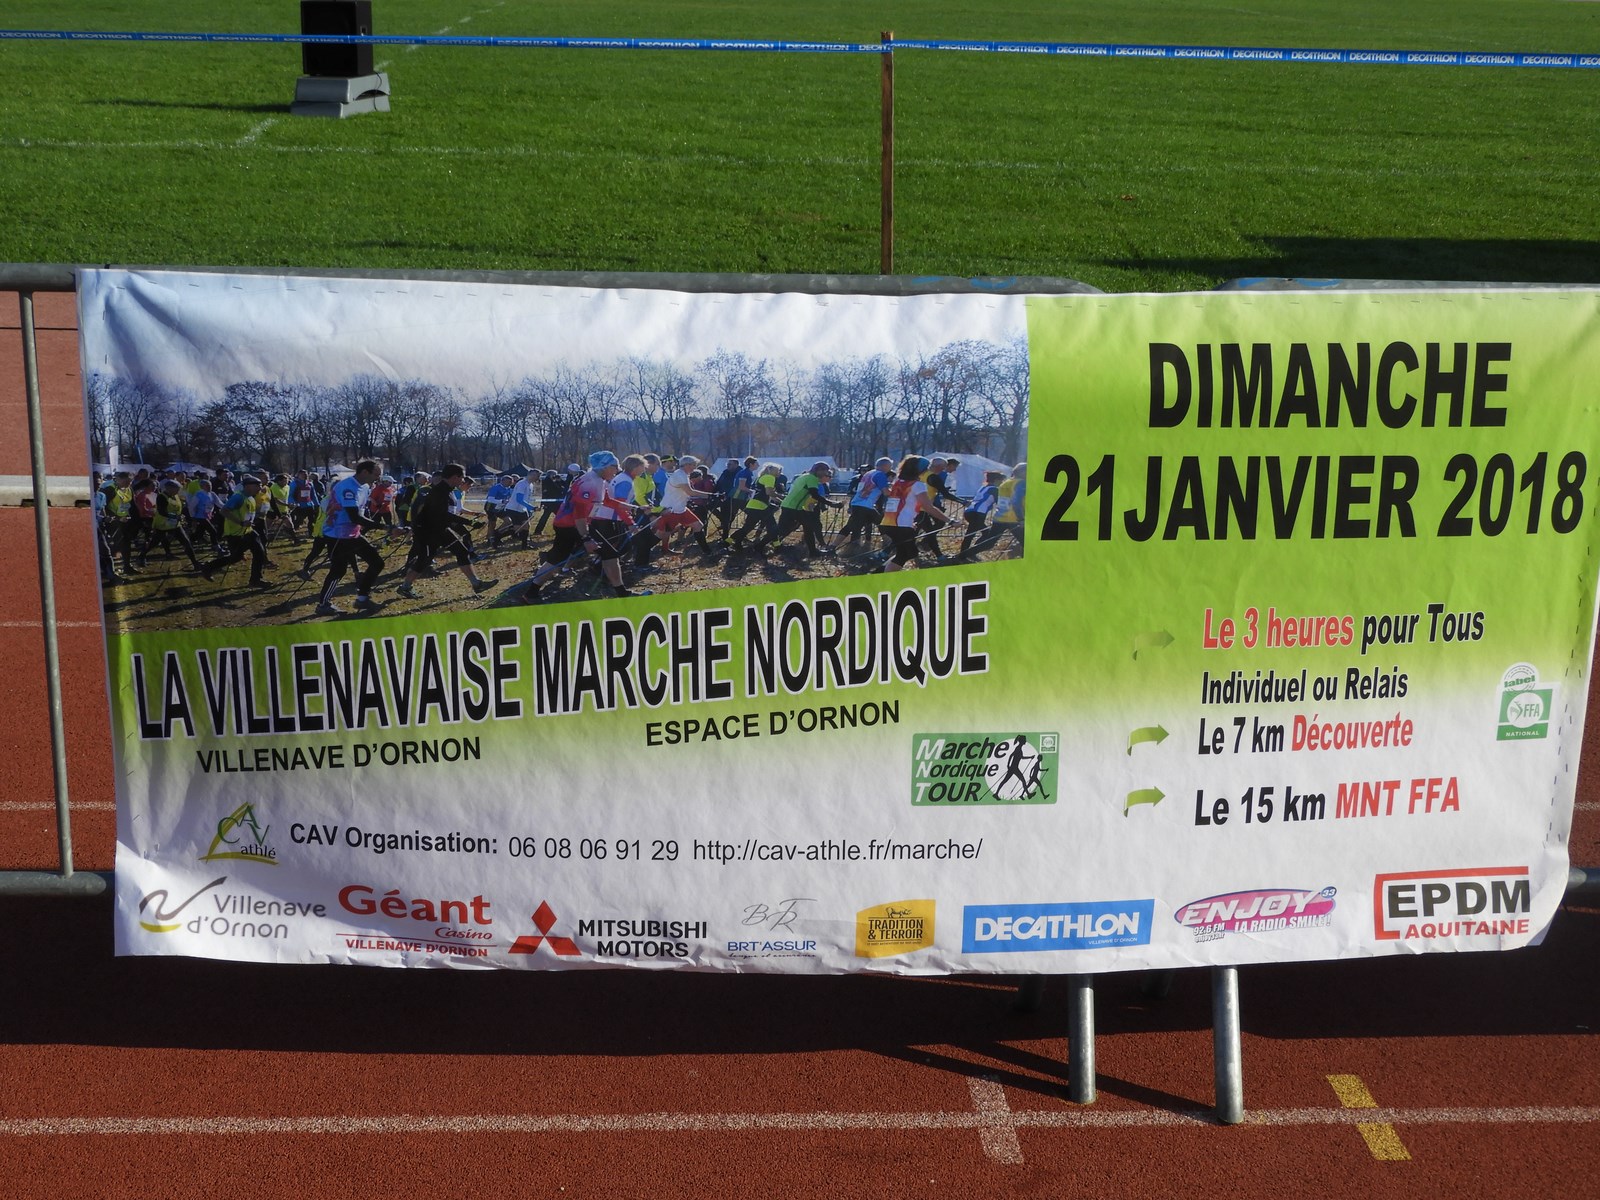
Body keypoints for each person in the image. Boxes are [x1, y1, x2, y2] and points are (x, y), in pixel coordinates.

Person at [519, 451, 643, 603]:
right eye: (614, 466)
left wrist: (634, 508)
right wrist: (586, 538)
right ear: (604, 466)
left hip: (578, 524)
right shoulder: (590, 482)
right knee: (557, 561)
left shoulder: (599, 480)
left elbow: (608, 500)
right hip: (570, 525)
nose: (617, 470)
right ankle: (531, 593)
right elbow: (579, 513)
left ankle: (622, 593)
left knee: (609, 554)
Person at [397, 464, 497, 599]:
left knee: (462, 552)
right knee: (424, 560)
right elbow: (443, 515)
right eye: (462, 477)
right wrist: (470, 522)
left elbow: (445, 515)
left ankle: (477, 584)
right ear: (455, 477)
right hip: (427, 531)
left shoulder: (447, 490)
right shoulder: (439, 492)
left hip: (440, 529)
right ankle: (405, 587)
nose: (463, 480)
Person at [314, 460, 386, 615]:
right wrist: (385, 527)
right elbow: (354, 517)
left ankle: (362, 598)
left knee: (377, 562)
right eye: (376, 474)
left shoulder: (365, 487)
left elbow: (360, 512)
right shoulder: (347, 486)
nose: (378, 478)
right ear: (365, 472)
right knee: (338, 569)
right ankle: (323, 605)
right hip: (337, 534)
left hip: (352, 533)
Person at [879, 456, 948, 572]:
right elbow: (929, 507)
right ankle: (882, 575)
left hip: (889, 523)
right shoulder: (917, 485)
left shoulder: (897, 482)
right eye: (926, 468)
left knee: (904, 553)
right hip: (902, 525)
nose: (927, 470)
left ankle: (881, 572)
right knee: (908, 553)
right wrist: (950, 520)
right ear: (919, 470)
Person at [200, 475, 270, 587]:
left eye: (260, 485)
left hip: (248, 531)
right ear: (247, 486)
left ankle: (255, 580)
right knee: (235, 558)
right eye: (257, 485)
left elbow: (247, 513)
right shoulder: (238, 497)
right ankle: (208, 567)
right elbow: (224, 511)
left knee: (259, 552)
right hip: (235, 533)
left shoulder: (251, 498)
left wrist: (255, 517)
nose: (260, 488)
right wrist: (240, 522)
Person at [760, 461, 840, 557]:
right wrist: (832, 503)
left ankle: (813, 552)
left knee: (808, 527)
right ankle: (759, 546)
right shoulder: (812, 478)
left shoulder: (805, 476)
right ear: (818, 470)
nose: (826, 474)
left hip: (795, 507)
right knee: (781, 529)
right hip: (792, 507)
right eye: (825, 471)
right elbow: (815, 495)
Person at [840, 456, 893, 549]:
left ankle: (888, 543)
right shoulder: (880, 475)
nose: (890, 469)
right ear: (885, 466)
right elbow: (885, 492)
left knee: (854, 526)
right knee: (879, 523)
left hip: (858, 503)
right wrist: (898, 493)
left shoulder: (869, 473)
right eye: (890, 466)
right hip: (865, 505)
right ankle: (890, 545)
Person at [729, 461, 782, 550]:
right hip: (761, 507)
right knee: (772, 527)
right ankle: (770, 546)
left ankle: (729, 541)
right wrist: (782, 496)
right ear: (772, 471)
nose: (779, 473)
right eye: (778, 471)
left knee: (748, 527)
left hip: (753, 505)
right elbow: (769, 492)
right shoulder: (770, 477)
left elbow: (766, 494)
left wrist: (780, 501)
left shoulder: (761, 477)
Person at [957, 470, 1006, 560]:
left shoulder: (983, 487)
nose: (1002, 483)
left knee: (972, 533)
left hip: (970, 512)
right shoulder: (994, 489)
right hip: (978, 514)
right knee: (984, 534)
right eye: (1001, 481)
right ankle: (968, 554)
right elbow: (999, 503)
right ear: (996, 480)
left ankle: (966, 553)